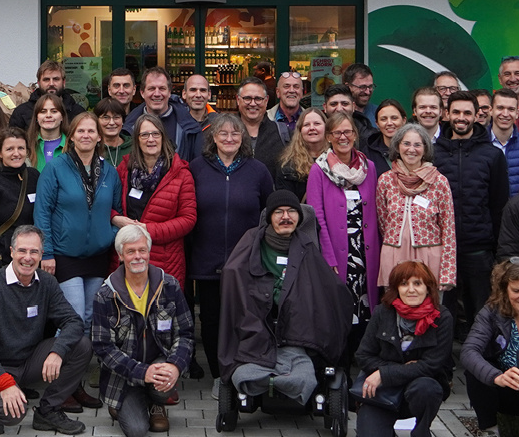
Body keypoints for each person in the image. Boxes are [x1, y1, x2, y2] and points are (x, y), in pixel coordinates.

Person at [219, 190, 352, 405]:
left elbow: (325, 287)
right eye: (279, 212)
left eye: (292, 211)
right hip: (257, 331)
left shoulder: (306, 245)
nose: (286, 217)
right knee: (244, 373)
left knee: (305, 373)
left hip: (296, 333)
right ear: (269, 217)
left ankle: (288, 376)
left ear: (300, 217)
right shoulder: (252, 242)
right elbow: (235, 277)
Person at [0, 225, 92, 436]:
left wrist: (57, 351)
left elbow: (73, 321)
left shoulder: (47, 283)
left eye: (34, 251)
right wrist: (4, 383)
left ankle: (48, 411)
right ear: (12, 252)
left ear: (41, 255)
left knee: (82, 346)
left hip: (25, 361)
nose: (28, 257)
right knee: (13, 415)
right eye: (22, 250)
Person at [35, 112, 121, 408]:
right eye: (80, 131)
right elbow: (42, 211)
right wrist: (47, 253)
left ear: (99, 137)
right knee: (73, 320)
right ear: (70, 137)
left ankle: (76, 384)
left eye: (91, 131)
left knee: (88, 320)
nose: (86, 135)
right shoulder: (56, 168)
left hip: (97, 256)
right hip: (65, 255)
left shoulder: (109, 171)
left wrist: (108, 236)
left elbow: (116, 211)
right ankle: (60, 389)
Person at [189, 112, 273, 393]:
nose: (229, 138)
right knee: (211, 321)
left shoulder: (258, 170)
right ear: (213, 137)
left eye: (235, 133)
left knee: (243, 320)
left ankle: (242, 372)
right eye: (223, 133)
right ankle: (219, 376)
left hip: (245, 262)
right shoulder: (197, 168)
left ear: (243, 138)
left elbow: (269, 213)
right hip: (206, 259)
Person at [91, 224, 193, 436]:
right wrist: (142, 372)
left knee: (164, 383)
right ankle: (123, 403)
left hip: (160, 364)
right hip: (124, 374)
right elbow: (103, 347)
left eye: (142, 250)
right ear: (121, 256)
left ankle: (156, 402)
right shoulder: (105, 295)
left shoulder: (170, 286)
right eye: (131, 251)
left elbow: (185, 334)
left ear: (149, 251)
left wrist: (175, 366)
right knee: (137, 430)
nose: (138, 256)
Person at [435, 91, 508, 334]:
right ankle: (444, 356)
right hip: (443, 249)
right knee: (443, 314)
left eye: (467, 112)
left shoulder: (492, 155)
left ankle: (481, 357)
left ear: (477, 116)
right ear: (447, 114)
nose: (461, 117)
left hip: (479, 249)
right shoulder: (433, 153)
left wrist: (496, 250)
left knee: (482, 312)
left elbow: (498, 205)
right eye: (456, 112)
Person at [307, 111, 379, 361]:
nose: (343, 137)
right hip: (338, 255)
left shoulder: (369, 168)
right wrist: (329, 257)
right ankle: (341, 366)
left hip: (366, 253)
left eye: (347, 131)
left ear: (355, 135)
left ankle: (363, 363)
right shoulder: (318, 170)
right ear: (328, 137)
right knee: (341, 311)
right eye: (337, 132)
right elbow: (316, 216)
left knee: (366, 308)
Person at [355, 261, 453, 437]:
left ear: (428, 288)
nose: (411, 290)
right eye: (404, 284)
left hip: (417, 388)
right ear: (396, 289)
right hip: (382, 390)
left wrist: (385, 373)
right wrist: (390, 372)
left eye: (417, 283)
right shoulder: (382, 312)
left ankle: (421, 431)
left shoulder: (442, 317)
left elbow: (431, 365)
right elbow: (363, 355)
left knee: (428, 388)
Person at [112, 115, 196, 285]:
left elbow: (188, 219)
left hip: (166, 260)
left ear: (163, 137)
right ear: (137, 139)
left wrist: (148, 230)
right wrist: (115, 218)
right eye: (144, 135)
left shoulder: (181, 173)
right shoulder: (125, 169)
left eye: (156, 134)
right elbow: (106, 203)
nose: (151, 139)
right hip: (128, 258)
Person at [376, 123, 456, 292]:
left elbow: (448, 230)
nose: (411, 149)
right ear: (398, 146)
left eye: (417, 145)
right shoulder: (385, 180)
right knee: (394, 305)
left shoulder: (439, 182)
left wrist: (447, 273)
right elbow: (383, 222)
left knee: (429, 306)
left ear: (425, 149)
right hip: (394, 257)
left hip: (429, 259)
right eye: (406, 143)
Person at [461, 260, 519, 432]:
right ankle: (490, 429)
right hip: (503, 386)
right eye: (516, 291)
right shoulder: (492, 311)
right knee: (475, 372)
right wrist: (497, 377)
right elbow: (468, 351)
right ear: (505, 289)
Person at [0, 128, 39, 272]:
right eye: (10, 149)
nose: (16, 153)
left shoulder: (34, 177)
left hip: (32, 261)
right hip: (3, 262)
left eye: (21, 148)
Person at [123, 67, 202, 162]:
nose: (157, 94)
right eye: (151, 88)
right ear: (142, 93)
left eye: (162, 88)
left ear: (169, 92)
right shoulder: (129, 127)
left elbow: (197, 165)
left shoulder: (189, 128)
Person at [9, 61, 85, 132]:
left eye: (56, 79)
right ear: (39, 83)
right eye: (46, 79)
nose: (51, 83)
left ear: (64, 82)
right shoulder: (21, 112)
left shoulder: (78, 113)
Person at [235, 77, 288, 175]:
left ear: (266, 100)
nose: (253, 103)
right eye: (247, 98)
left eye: (258, 99)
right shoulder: (225, 133)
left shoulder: (282, 133)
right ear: (238, 100)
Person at [273, 108, 327, 200]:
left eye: (317, 123)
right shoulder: (287, 165)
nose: (312, 128)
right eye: (306, 125)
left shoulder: (337, 159)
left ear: (326, 127)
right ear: (300, 130)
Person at [490, 88, 519, 196]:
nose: (505, 114)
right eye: (500, 108)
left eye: (511, 109)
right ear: (491, 110)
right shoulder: (478, 144)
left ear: (517, 113)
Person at [364, 99, 407, 177]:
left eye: (394, 118)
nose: (389, 123)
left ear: (404, 120)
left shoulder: (414, 148)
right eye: (383, 119)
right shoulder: (368, 153)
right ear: (377, 123)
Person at [27, 93, 69, 171]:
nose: (48, 115)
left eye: (54, 111)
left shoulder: (72, 145)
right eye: (43, 111)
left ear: (62, 117)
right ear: (36, 117)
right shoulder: (26, 145)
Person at [95, 98, 131, 168]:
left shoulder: (134, 147)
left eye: (116, 117)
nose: (111, 123)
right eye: (106, 117)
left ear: (123, 121)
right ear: (97, 121)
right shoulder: (92, 147)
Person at [496, 55, 519, 134]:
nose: (512, 79)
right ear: (500, 79)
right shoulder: (492, 107)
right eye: (507, 74)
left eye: (517, 73)